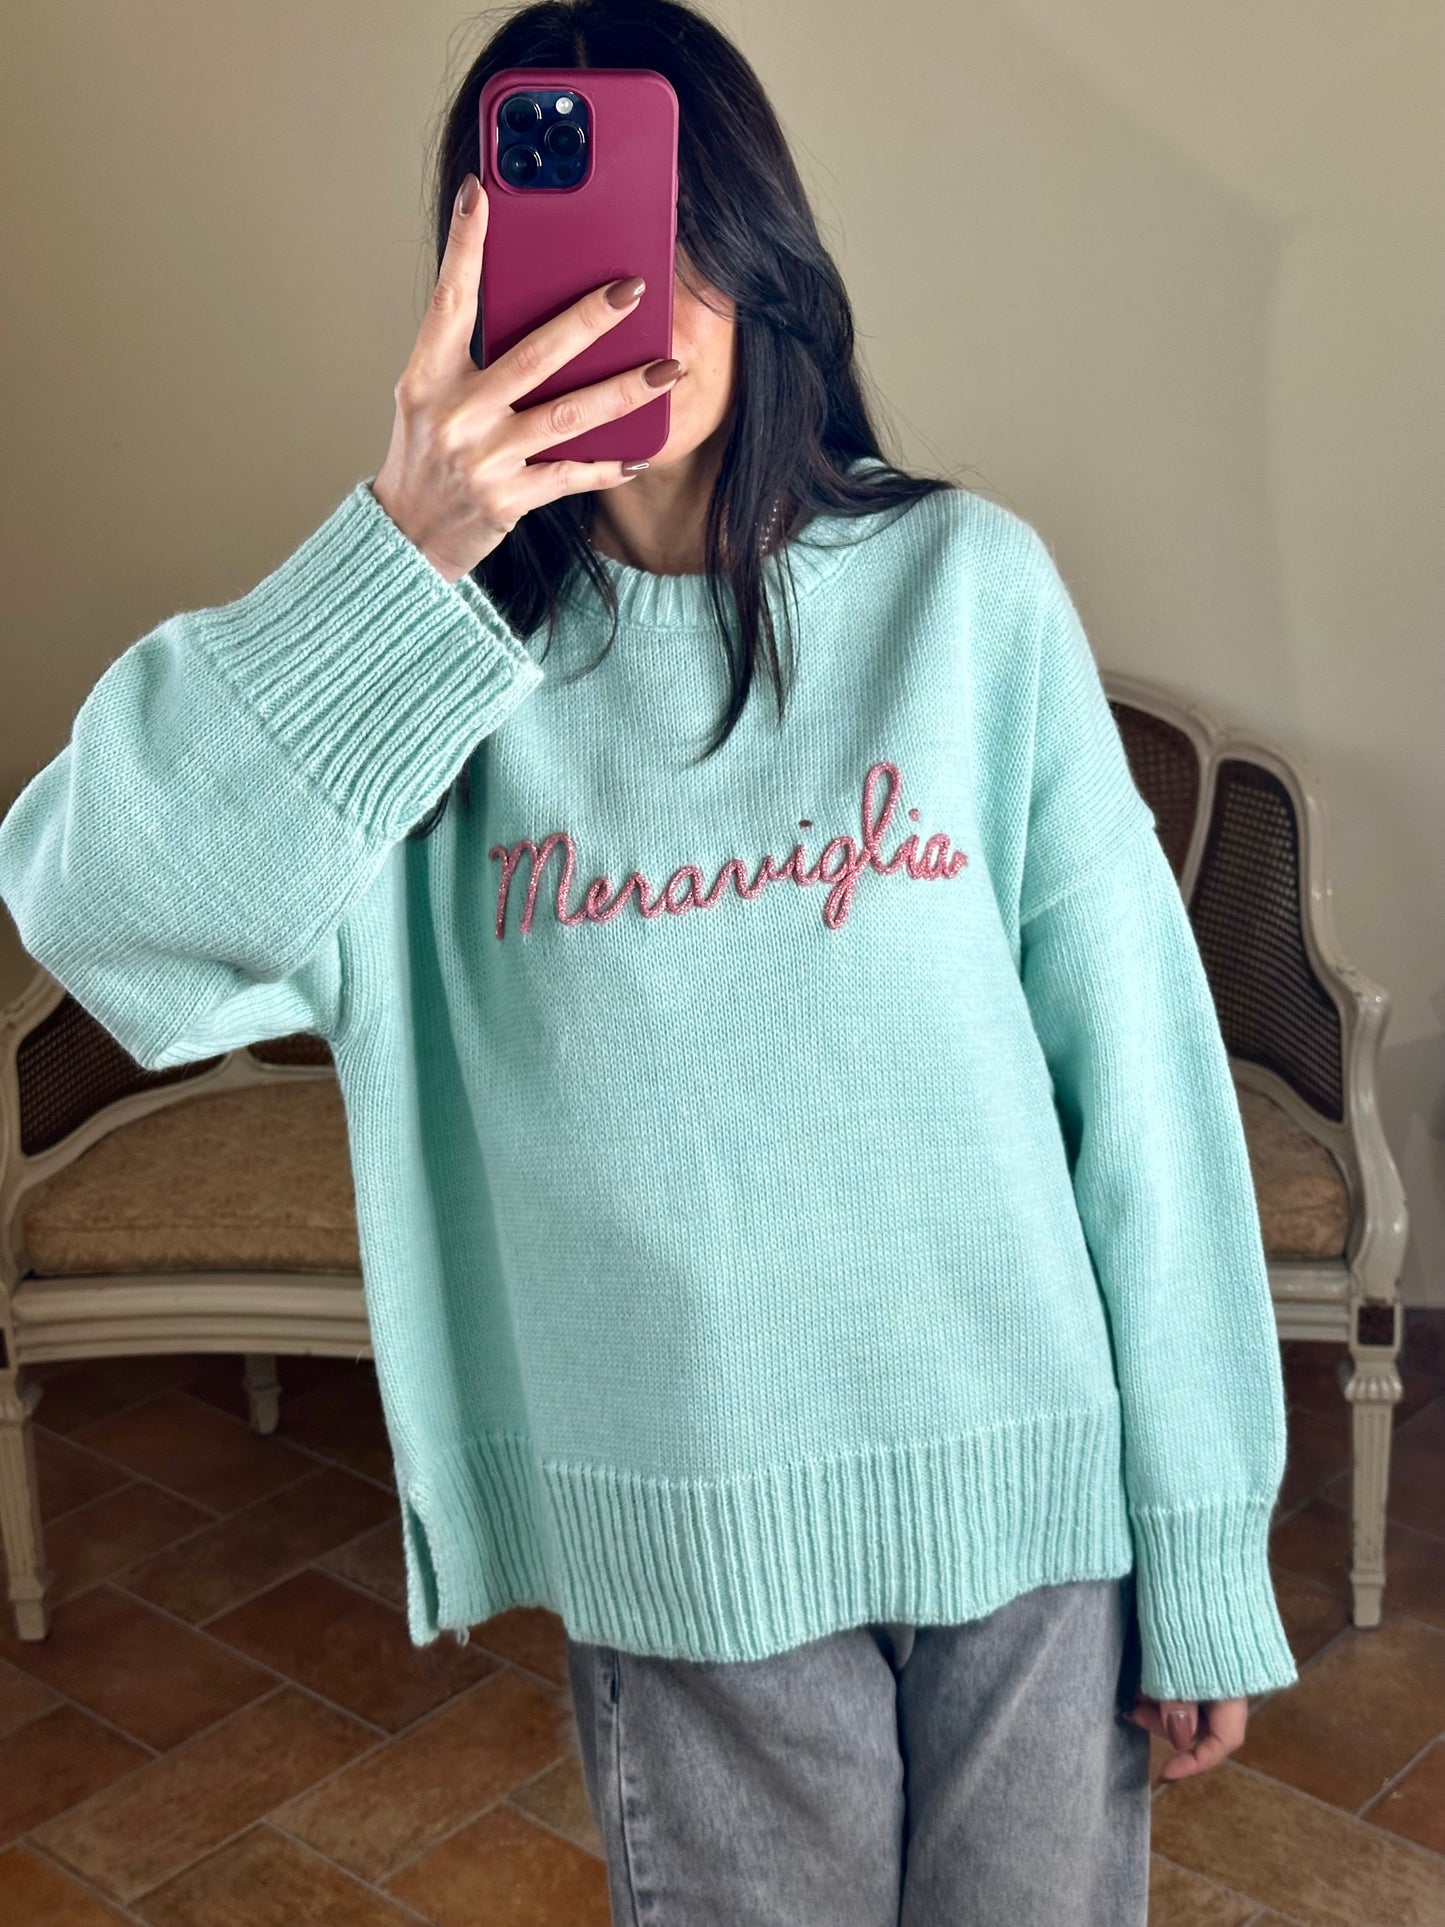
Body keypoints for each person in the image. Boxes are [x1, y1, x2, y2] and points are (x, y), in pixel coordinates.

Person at [0, 1, 1298, 1921]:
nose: (641, 295)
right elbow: (101, 912)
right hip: (684, 1546)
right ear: (478, 277)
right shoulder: (427, 690)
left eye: (688, 227)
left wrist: (1198, 1538)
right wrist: (399, 551)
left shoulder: (966, 593)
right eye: (584, 233)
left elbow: (1146, 1090)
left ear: (765, 253)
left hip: (1037, 1507)